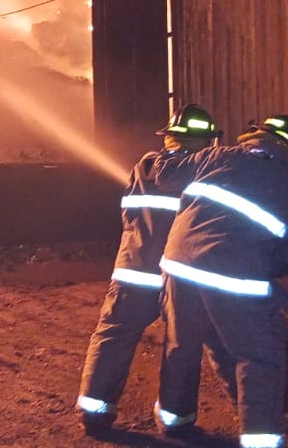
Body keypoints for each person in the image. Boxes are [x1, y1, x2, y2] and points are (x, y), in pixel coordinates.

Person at [152, 115, 288, 448]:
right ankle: (261, 440)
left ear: (256, 135)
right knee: (259, 355)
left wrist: (173, 146)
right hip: (236, 275)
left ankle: (174, 421)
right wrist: (264, 266)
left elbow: (165, 178)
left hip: (178, 264)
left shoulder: (218, 156)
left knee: (182, 344)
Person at [74, 104, 221, 434]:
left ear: (170, 137)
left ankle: (94, 412)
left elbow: (129, 215)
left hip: (133, 268)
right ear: (207, 141)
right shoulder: (208, 172)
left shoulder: (144, 166)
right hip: (181, 274)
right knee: (181, 345)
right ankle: (175, 421)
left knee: (113, 335)